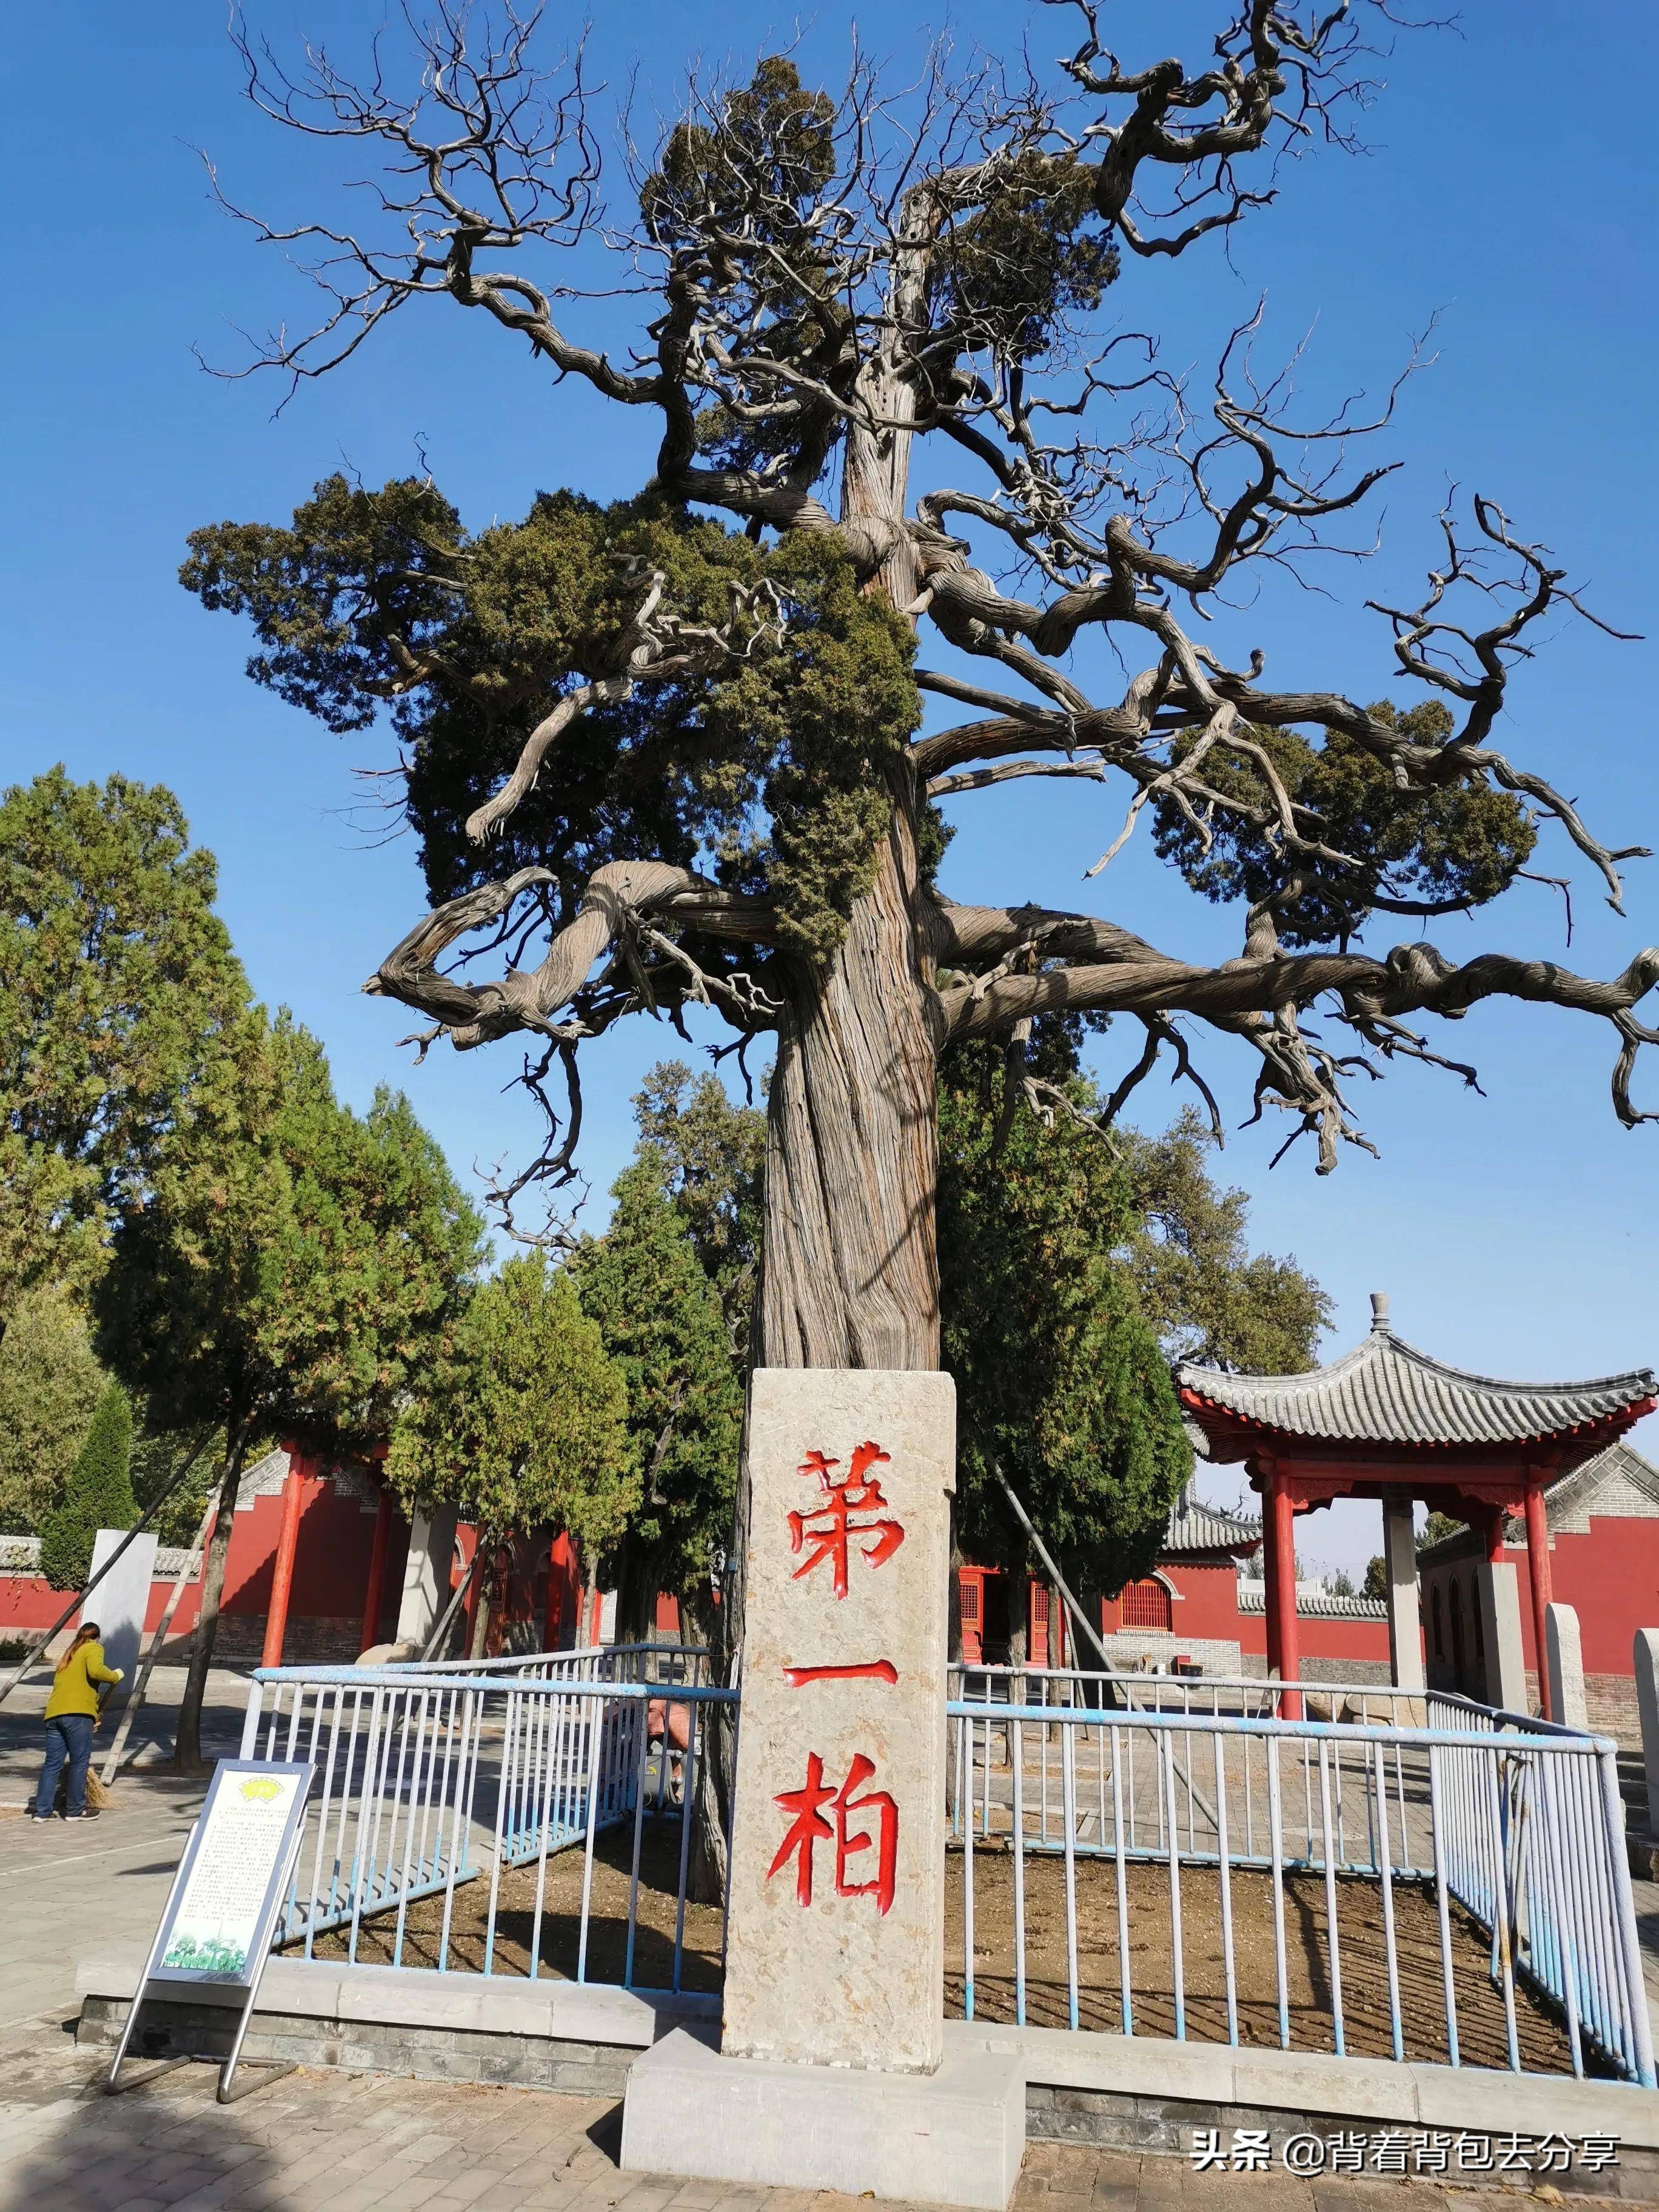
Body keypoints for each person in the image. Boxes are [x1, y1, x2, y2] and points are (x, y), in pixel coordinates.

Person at [28, 1621, 123, 1821]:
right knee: (79, 1763)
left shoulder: (69, 1653)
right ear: (96, 1636)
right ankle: (75, 1810)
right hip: (77, 1716)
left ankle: (42, 1812)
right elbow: (97, 1671)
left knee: (52, 1764)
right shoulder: (93, 1647)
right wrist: (115, 1676)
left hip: (54, 1715)